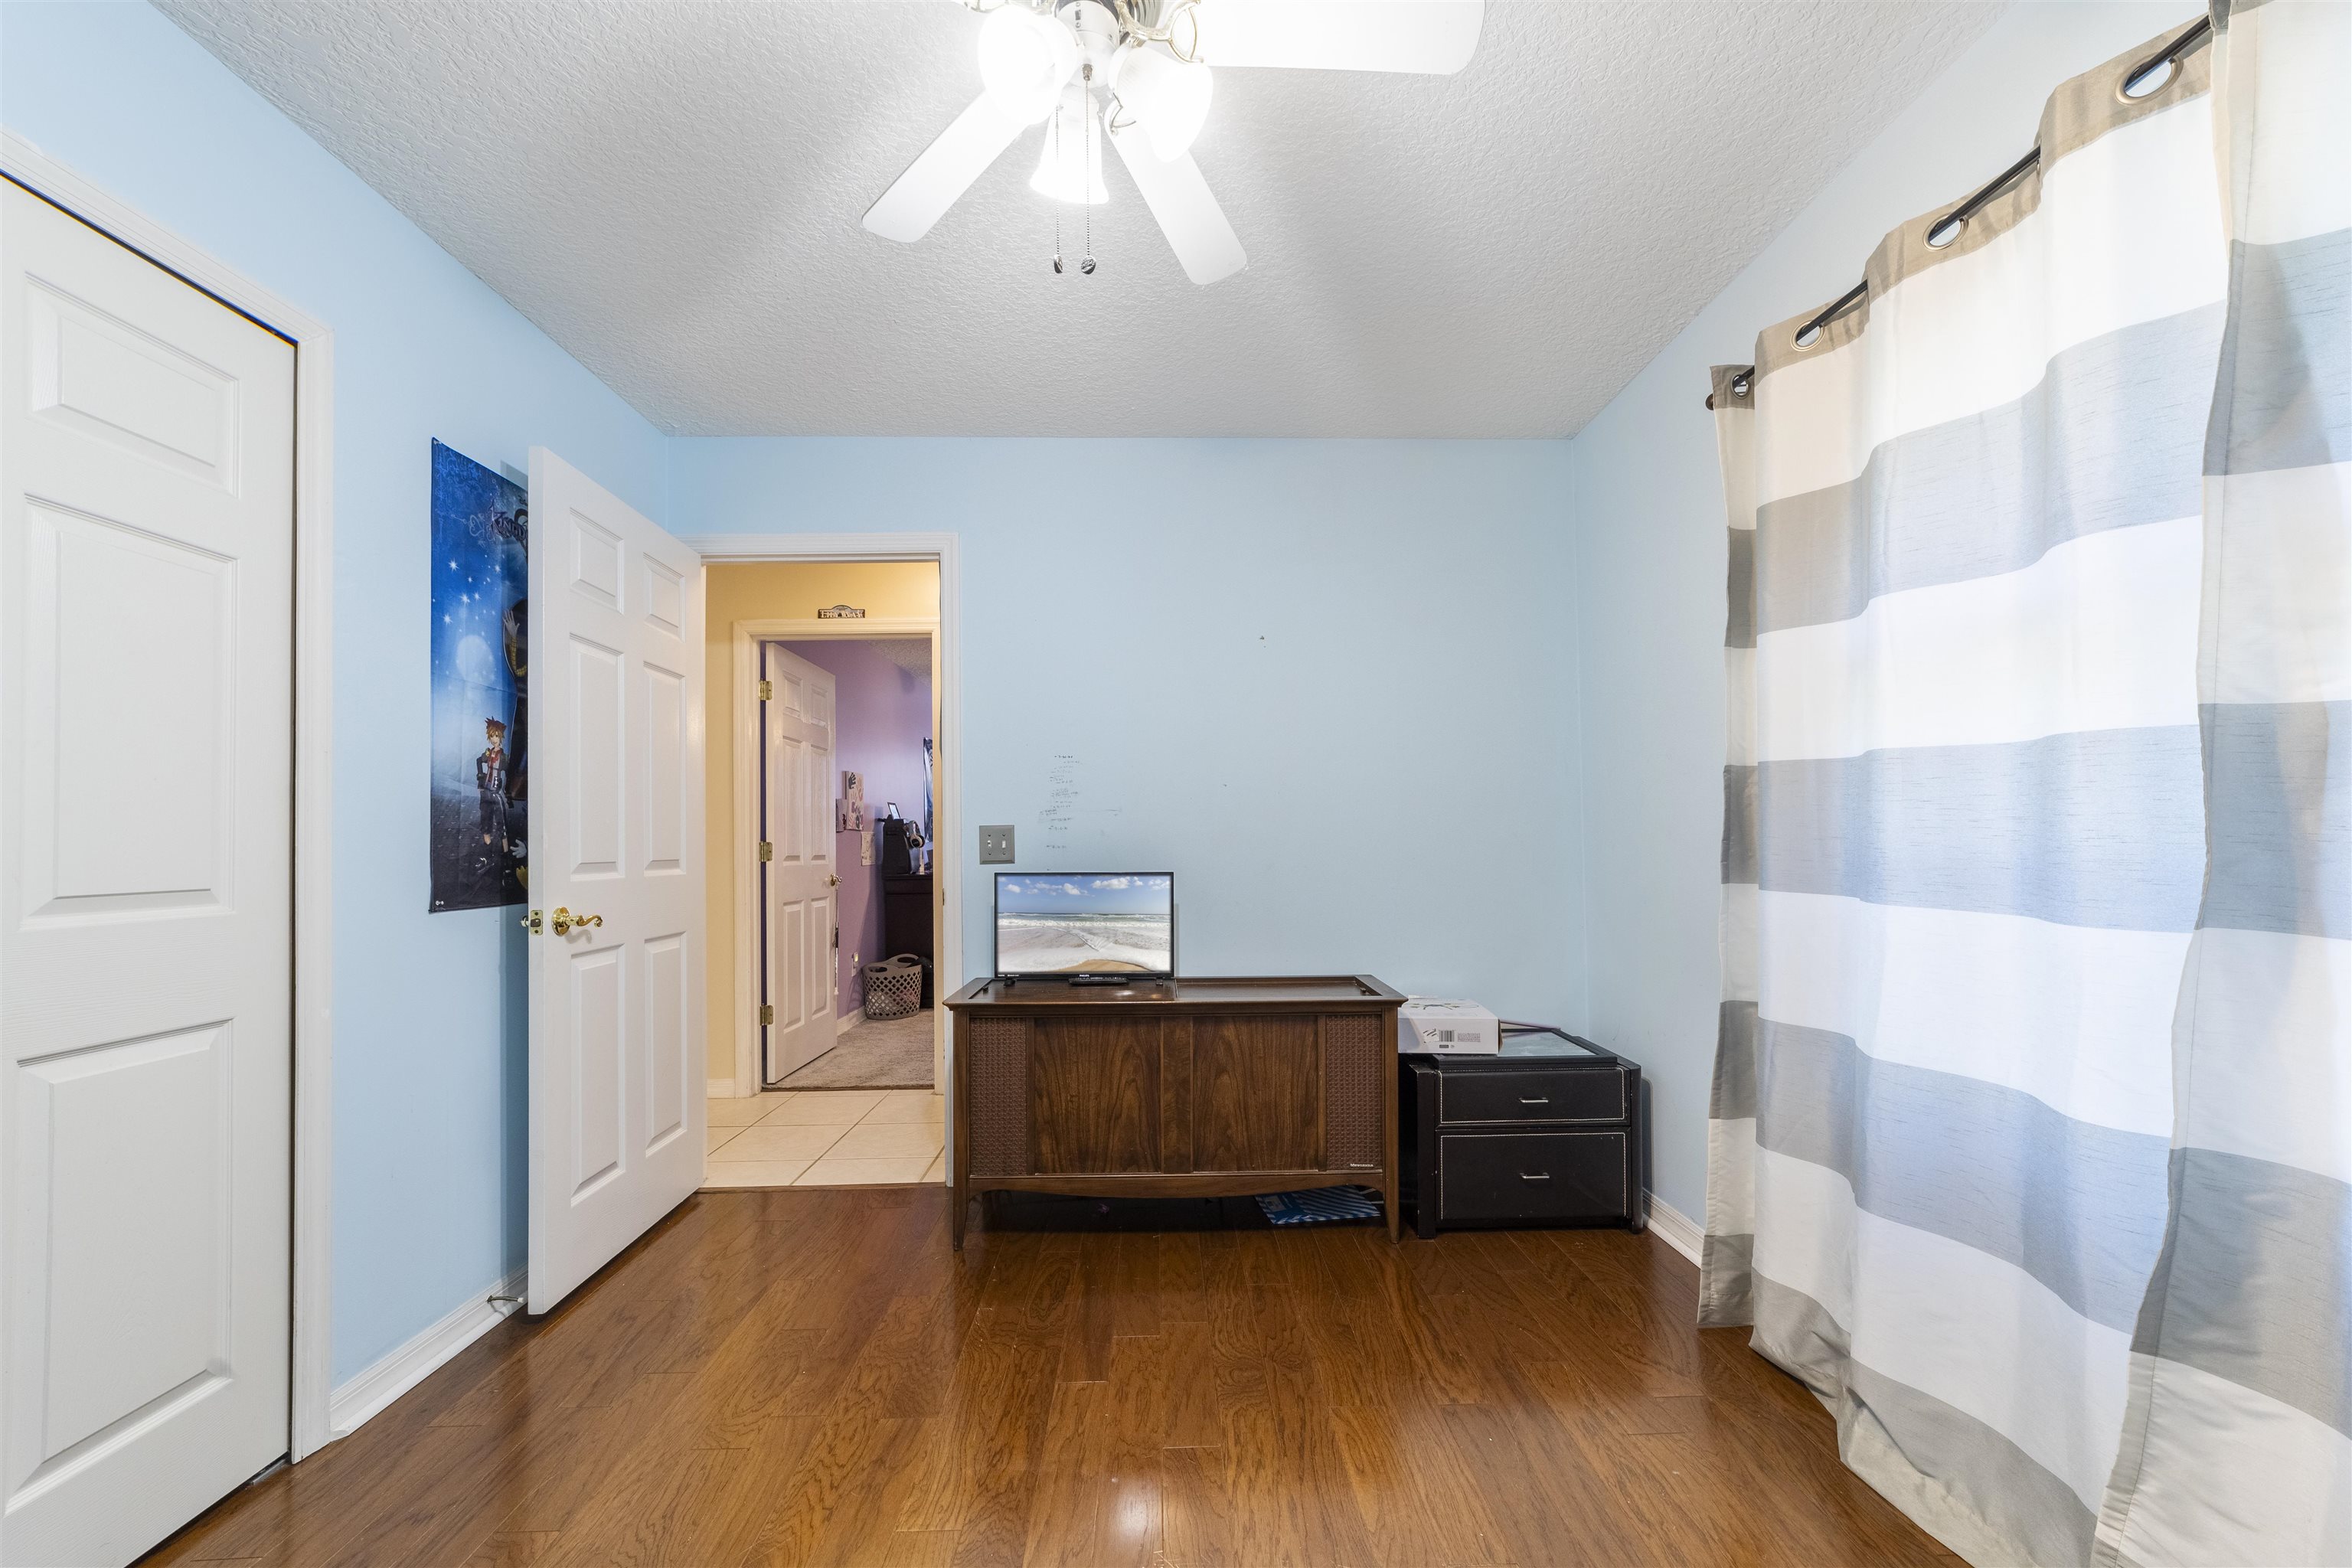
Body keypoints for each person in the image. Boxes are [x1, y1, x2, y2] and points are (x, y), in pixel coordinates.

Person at [475, 717, 511, 859]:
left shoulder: (503, 757)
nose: (494, 739)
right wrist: (480, 777)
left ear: (501, 736)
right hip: (486, 792)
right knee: (485, 822)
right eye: (492, 736)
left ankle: (507, 855)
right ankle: (488, 853)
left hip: (496, 793)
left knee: (502, 824)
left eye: (496, 735)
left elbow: (509, 772)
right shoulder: (488, 753)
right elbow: (479, 761)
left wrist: (508, 793)